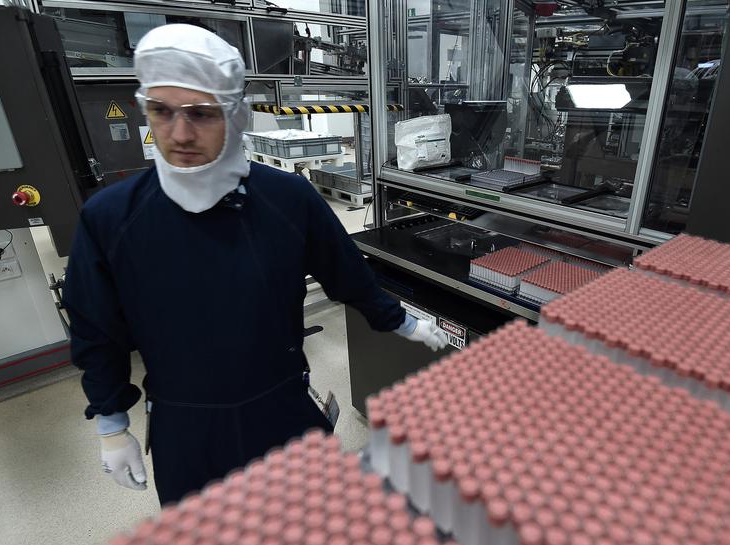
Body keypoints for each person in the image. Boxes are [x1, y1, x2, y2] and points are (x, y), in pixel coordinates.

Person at [63, 24, 448, 505]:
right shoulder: (112, 219)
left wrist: (402, 321)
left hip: (282, 405)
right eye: (161, 112)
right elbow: (97, 330)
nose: (179, 134)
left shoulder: (286, 200)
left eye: (202, 114)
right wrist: (111, 423)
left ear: (236, 114)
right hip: (186, 422)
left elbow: (346, 274)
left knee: (310, 528)